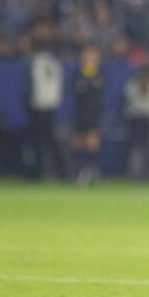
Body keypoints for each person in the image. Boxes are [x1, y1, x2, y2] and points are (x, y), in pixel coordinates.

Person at [26, 29, 67, 180]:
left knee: (38, 143)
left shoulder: (35, 62)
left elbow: (29, 87)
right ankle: (63, 172)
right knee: (52, 142)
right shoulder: (55, 62)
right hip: (52, 107)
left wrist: (27, 105)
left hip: (38, 107)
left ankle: (37, 174)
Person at [72, 45, 106, 185]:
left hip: (94, 114)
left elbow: (100, 87)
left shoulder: (100, 74)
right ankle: (79, 172)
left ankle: (91, 171)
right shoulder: (77, 74)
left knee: (92, 143)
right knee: (78, 144)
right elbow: (76, 89)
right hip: (80, 113)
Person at [123, 63, 149, 179]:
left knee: (148, 148)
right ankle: (129, 174)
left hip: (148, 120)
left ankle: (148, 174)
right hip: (134, 120)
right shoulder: (131, 85)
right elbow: (133, 103)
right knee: (131, 148)